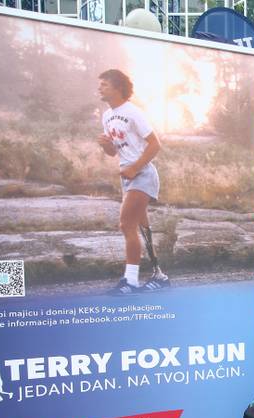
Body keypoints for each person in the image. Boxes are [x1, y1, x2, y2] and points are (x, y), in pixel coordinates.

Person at [97, 69, 169, 295]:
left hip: (142, 174)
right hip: (127, 176)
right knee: (142, 227)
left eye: (104, 84)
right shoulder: (107, 116)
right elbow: (113, 152)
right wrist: (106, 146)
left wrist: (135, 168)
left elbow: (155, 144)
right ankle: (159, 275)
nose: (99, 88)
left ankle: (130, 281)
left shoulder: (133, 112)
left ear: (118, 88)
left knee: (126, 224)